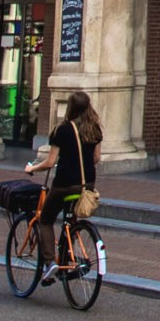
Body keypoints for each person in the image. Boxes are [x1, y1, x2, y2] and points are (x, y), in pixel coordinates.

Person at [23, 91, 100, 243]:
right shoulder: (94, 129)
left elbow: (50, 162)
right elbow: (96, 158)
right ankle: (68, 253)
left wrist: (32, 168)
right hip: (87, 184)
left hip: (65, 184)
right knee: (70, 220)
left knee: (46, 219)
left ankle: (50, 261)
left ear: (70, 107)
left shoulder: (62, 130)